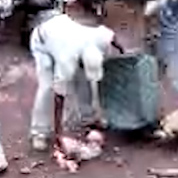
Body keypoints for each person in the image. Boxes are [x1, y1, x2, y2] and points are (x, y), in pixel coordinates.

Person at [27, 10, 114, 154]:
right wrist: (59, 134)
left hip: (65, 33)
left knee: (85, 79)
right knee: (47, 87)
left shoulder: (101, 37)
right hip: (42, 40)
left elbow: (113, 38)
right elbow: (58, 96)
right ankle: (39, 132)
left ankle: (88, 118)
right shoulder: (67, 59)